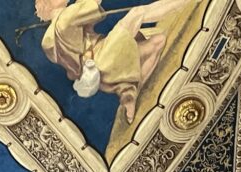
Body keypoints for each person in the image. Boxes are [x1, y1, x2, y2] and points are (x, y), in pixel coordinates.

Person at [36, 0, 196, 123]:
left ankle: (129, 94)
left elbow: (73, 66)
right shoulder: (66, 17)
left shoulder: (48, 41)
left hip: (100, 78)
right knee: (137, 13)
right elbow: (92, 4)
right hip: (105, 58)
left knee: (158, 41)